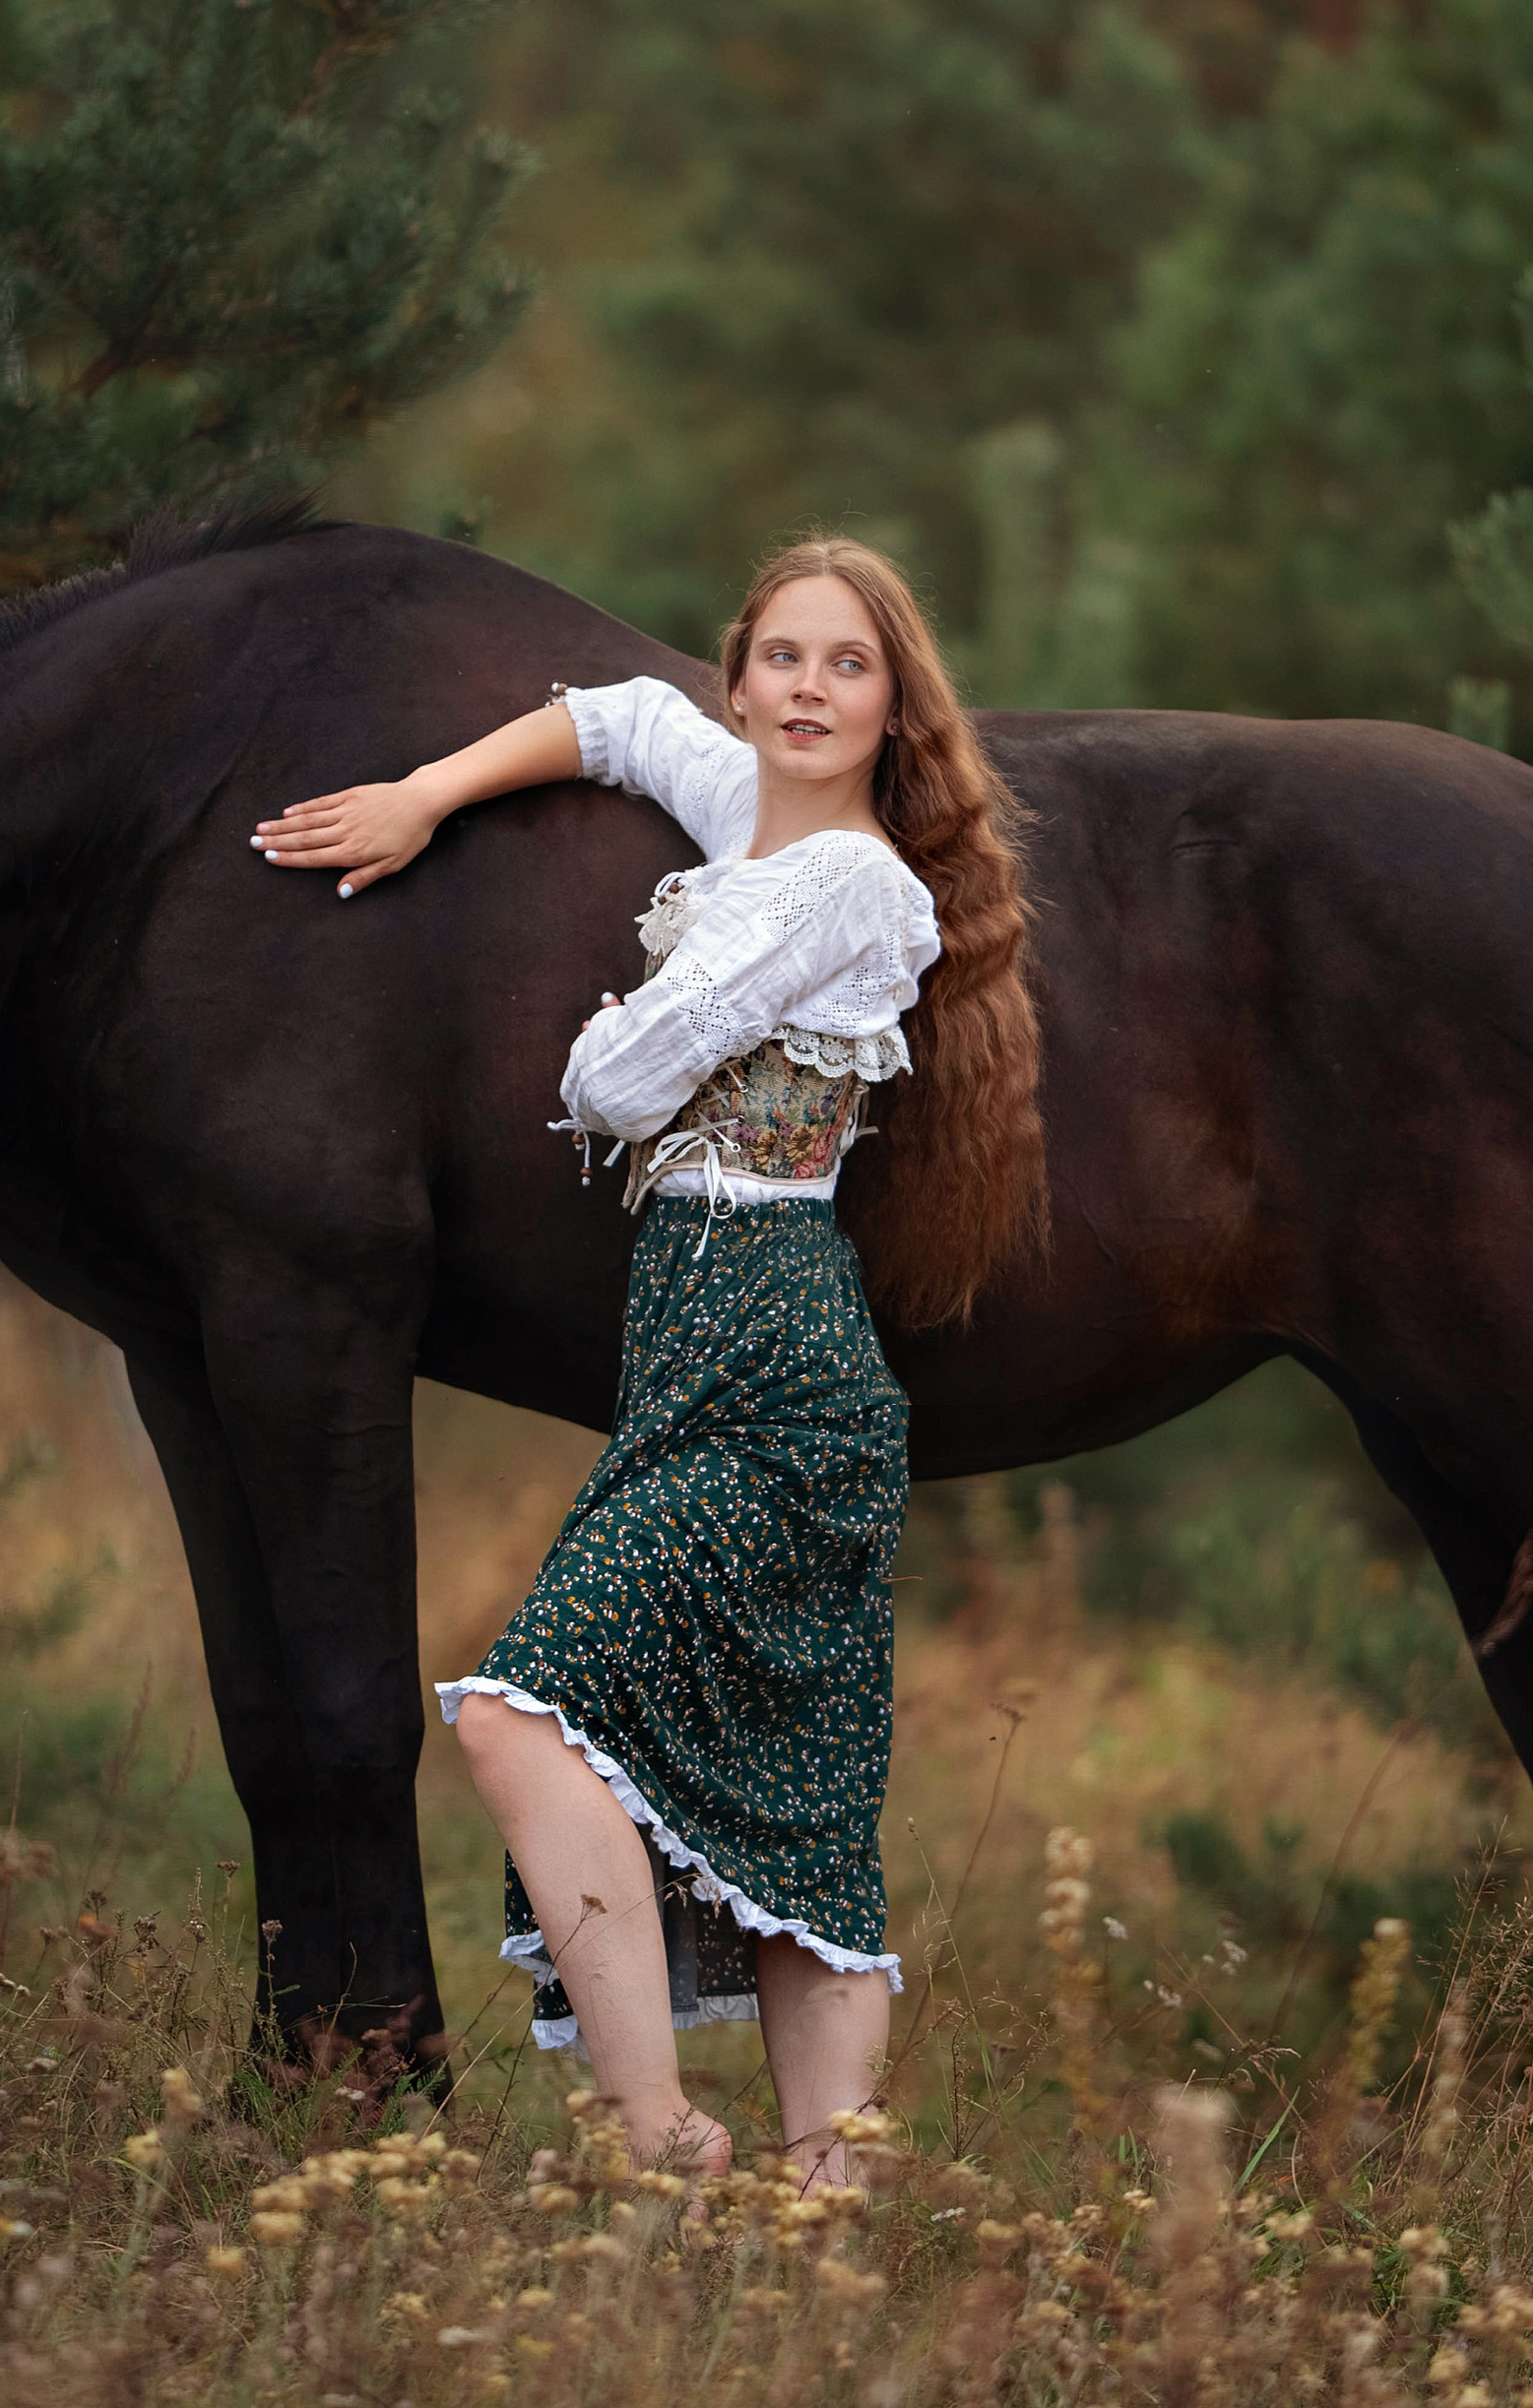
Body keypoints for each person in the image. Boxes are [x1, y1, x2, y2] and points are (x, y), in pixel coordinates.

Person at [250, 538, 1045, 2185]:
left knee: (519, 1718)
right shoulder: (745, 811)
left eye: (848, 668)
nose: (808, 692)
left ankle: (658, 2132)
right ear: (741, 674)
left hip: (776, 1348)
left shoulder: (849, 886)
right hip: (701, 1342)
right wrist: (423, 792)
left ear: (897, 706)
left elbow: (617, 1080)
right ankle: (825, 2196)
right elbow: (612, 717)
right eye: (782, 660)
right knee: (792, 1788)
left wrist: (659, 972)